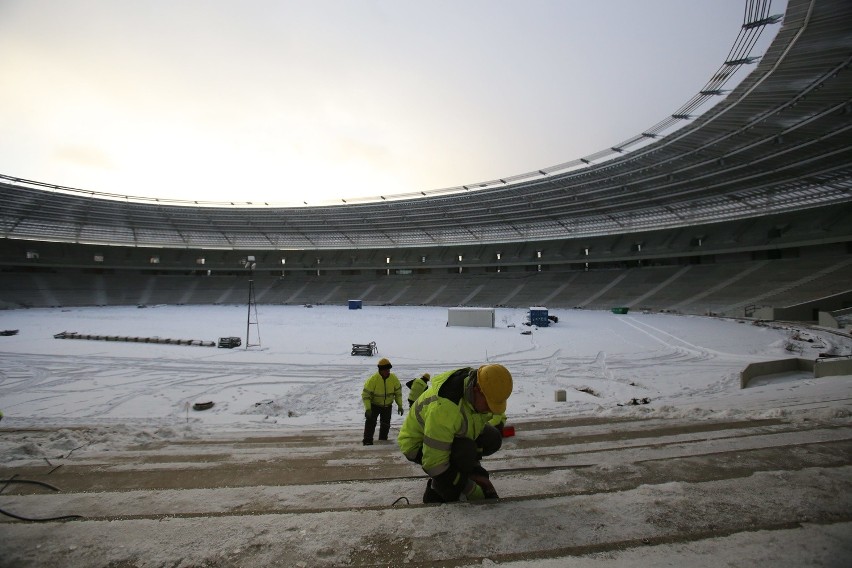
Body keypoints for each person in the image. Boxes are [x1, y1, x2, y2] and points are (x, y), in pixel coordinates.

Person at [397, 363, 513, 503]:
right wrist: (470, 488)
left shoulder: (476, 386)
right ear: (477, 390)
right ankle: (435, 492)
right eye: (489, 404)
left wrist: (475, 471)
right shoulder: (445, 409)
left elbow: (479, 420)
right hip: (417, 444)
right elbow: (434, 464)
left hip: (449, 433)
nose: (490, 410)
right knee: (464, 451)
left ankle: (467, 468)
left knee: (492, 438)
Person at [361, 358, 403, 446]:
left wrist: (400, 405)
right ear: (381, 370)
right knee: (370, 423)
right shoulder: (373, 380)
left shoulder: (393, 378)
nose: (388, 372)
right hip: (374, 406)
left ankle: (383, 440)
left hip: (387, 406)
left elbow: (398, 393)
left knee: (386, 424)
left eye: (389, 370)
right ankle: (367, 441)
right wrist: (368, 409)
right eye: (386, 370)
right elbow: (366, 395)